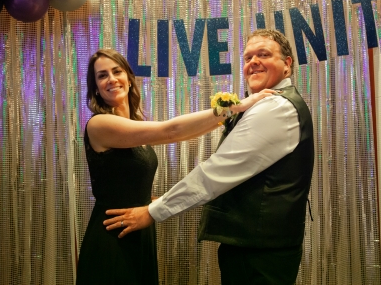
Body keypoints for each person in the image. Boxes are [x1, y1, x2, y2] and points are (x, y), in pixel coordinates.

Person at [104, 29, 315, 285]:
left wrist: (154, 211)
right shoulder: (266, 104)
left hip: (260, 254)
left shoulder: (276, 107)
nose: (253, 62)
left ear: (287, 64)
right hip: (255, 248)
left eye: (263, 55)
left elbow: (216, 173)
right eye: (248, 58)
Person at [76, 48, 274, 284]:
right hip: (112, 236)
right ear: (96, 88)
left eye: (116, 71)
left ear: (129, 78)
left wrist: (229, 116)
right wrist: (233, 107)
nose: (111, 79)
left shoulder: (133, 125)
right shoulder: (99, 125)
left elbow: (180, 136)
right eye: (102, 75)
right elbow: (170, 131)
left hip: (138, 230)